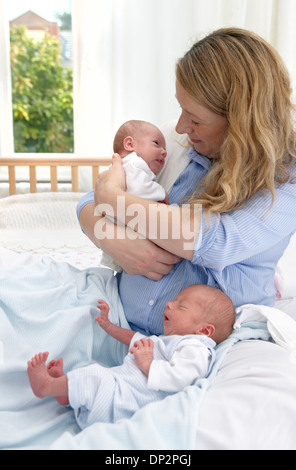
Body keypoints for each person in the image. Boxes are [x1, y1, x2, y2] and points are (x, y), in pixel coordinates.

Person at [77, 28, 296, 341]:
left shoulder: (287, 178)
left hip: (208, 347)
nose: (180, 126)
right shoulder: (177, 141)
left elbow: (215, 242)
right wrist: (110, 239)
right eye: (181, 110)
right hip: (119, 321)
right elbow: (87, 203)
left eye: (194, 118)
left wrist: (112, 198)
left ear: (240, 121)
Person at [27, 284, 235, 429]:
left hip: (129, 402)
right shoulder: (169, 341)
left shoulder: (196, 348)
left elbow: (182, 377)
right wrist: (108, 326)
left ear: (204, 331)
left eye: (181, 306)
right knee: (94, 376)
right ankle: (66, 396)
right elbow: (134, 338)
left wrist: (148, 364)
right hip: (120, 391)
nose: (169, 304)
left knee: (94, 377)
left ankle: (45, 387)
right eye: (173, 300)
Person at [100, 119, 168, 271]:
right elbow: (139, 189)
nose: (164, 151)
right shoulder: (133, 163)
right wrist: (162, 193)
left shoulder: (119, 167)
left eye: (164, 148)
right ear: (130, 144)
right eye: (156, 143)